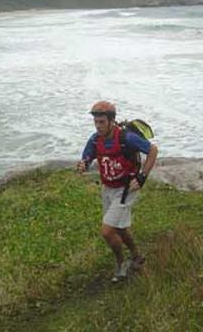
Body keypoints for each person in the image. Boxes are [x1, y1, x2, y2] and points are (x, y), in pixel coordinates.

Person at [77, 101, 158, 282]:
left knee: (107, 231)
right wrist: (84, 164)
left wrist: (142, 177)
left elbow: (152, 150)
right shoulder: (95, 139)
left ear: (112, 121)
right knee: (120, 228)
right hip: (107, 188)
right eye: (96, 122)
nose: (98, 126)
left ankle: (121, 264)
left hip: (126, 190)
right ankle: (137, 256)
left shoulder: (126, 138)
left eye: (102, 122)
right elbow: (87, 157)